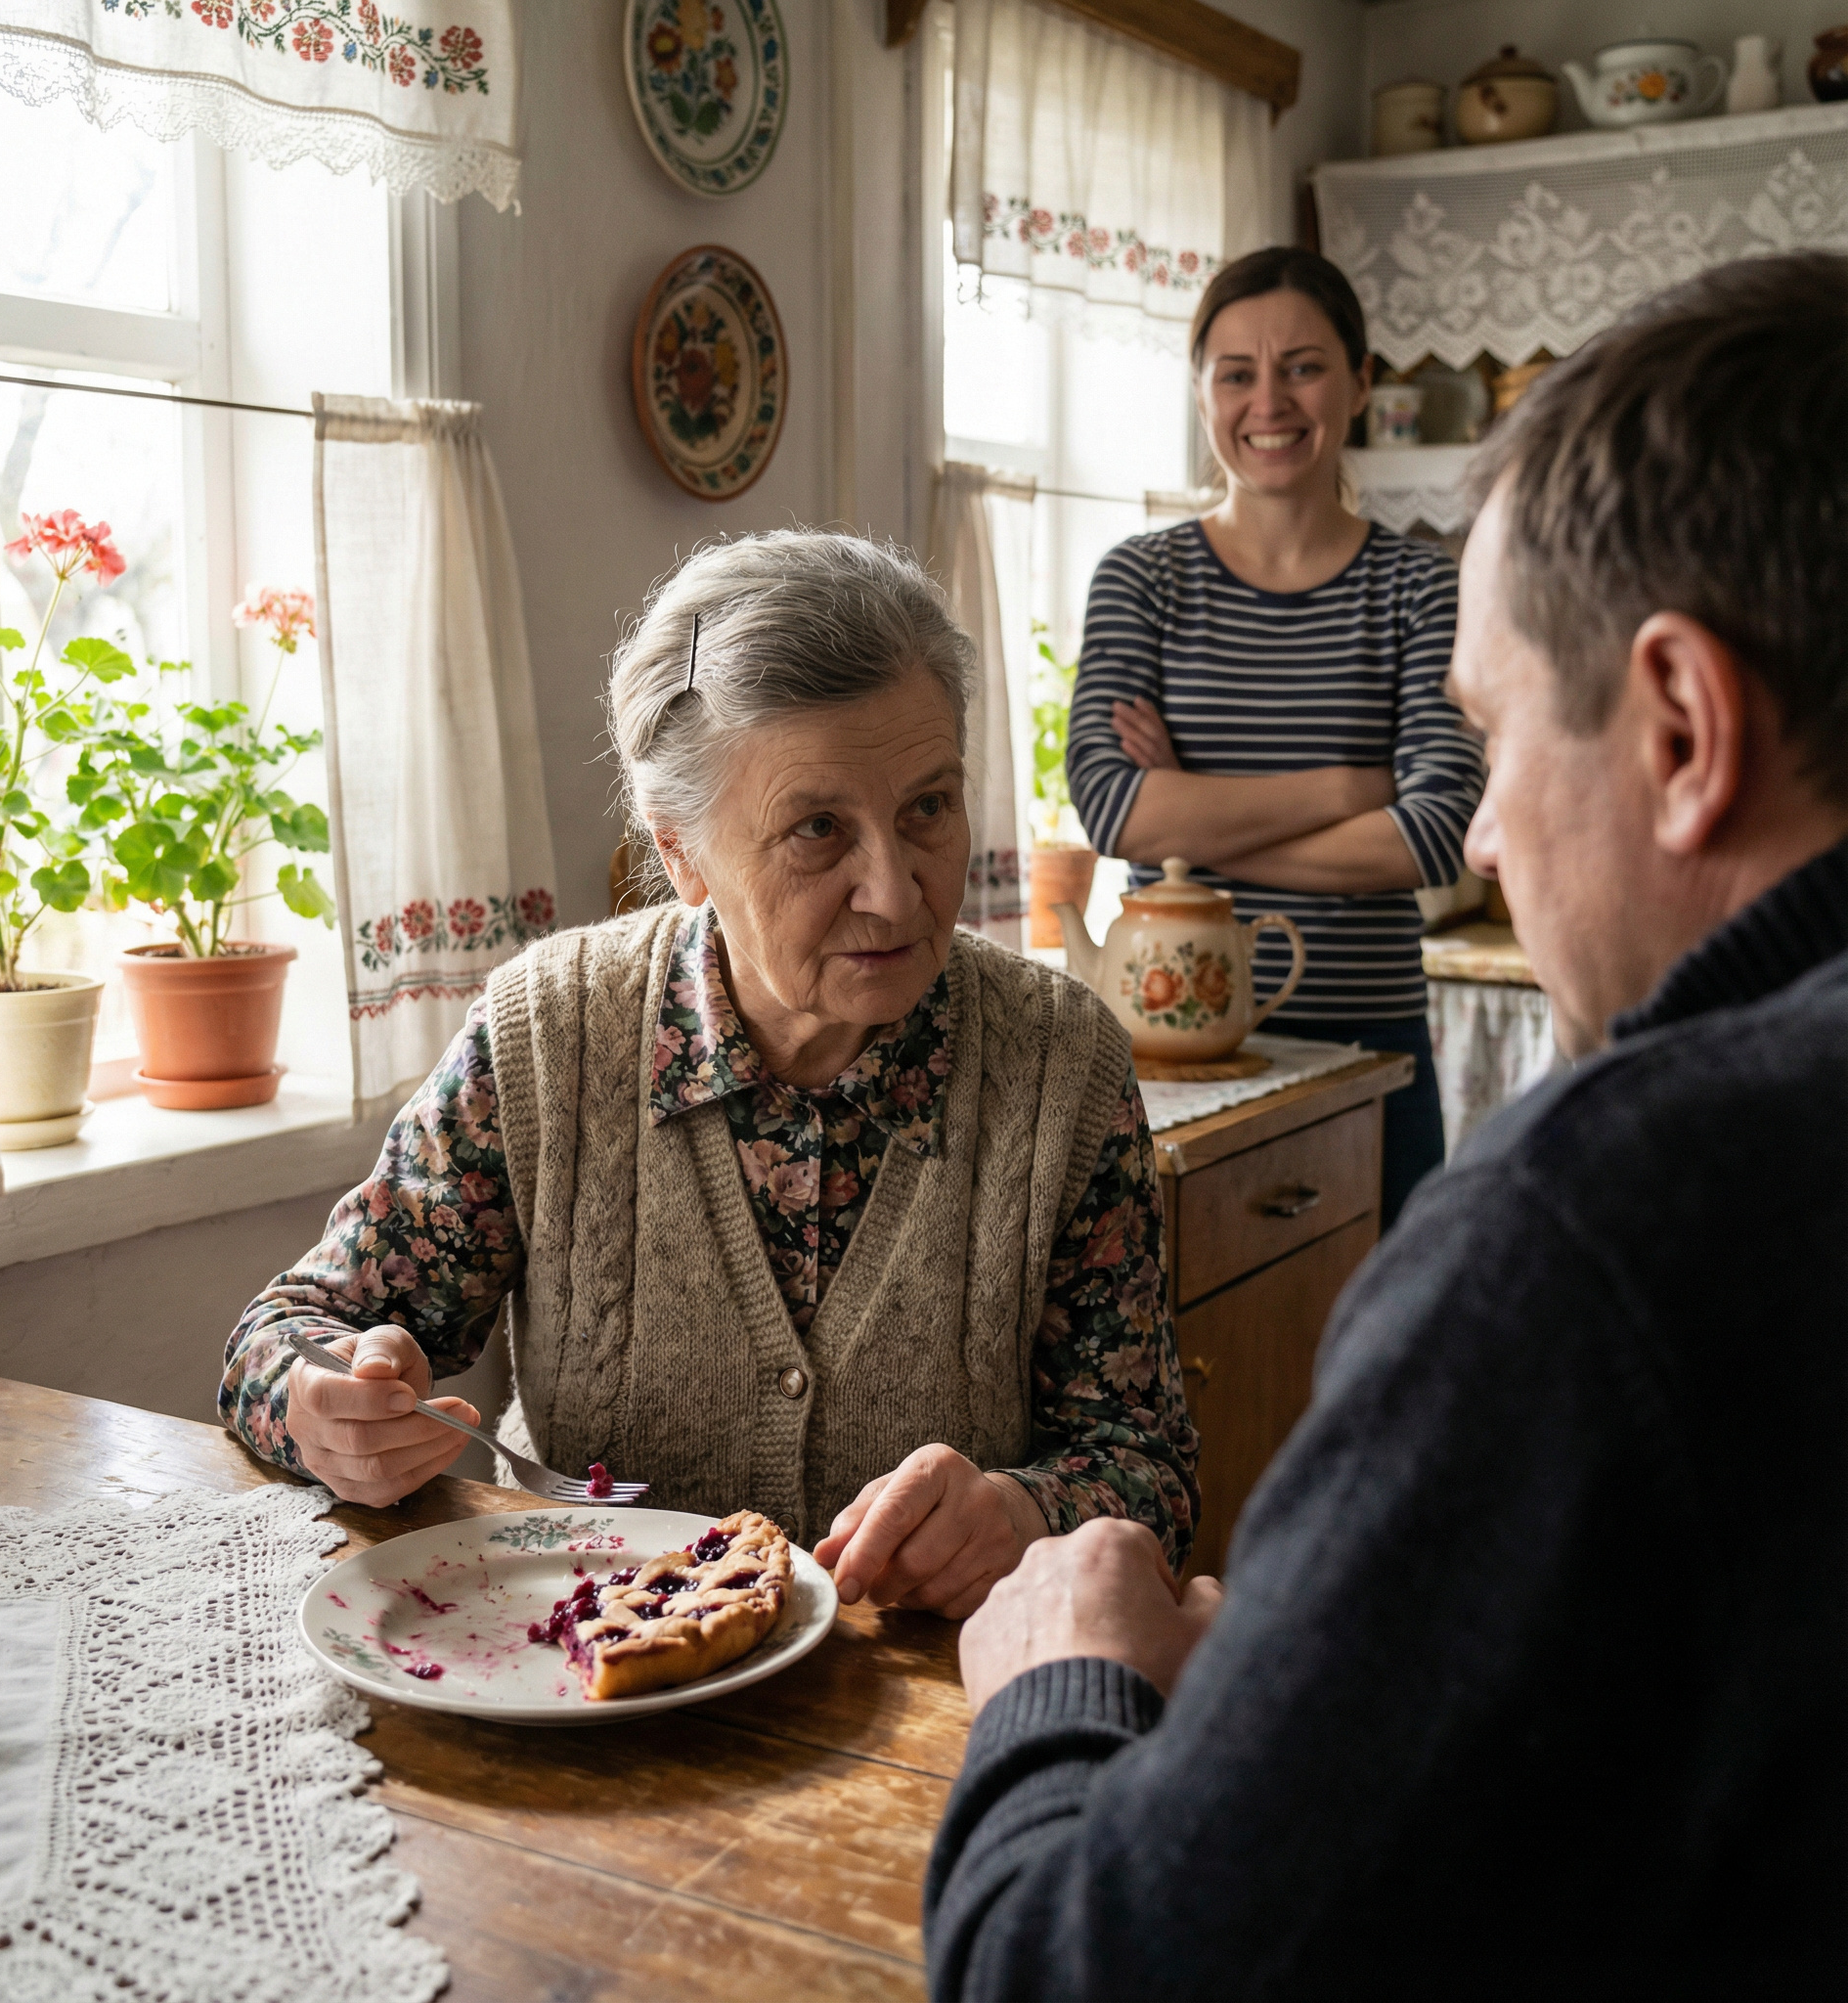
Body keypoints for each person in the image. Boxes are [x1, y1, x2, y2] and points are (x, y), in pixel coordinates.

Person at [923, 253, 1848, 1994]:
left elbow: (1084, 1969)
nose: (1487, 834)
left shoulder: (1582, 1229)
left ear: (1680, 726)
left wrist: (1061, 1671)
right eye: (1230, 373)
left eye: (1496, 741)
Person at [219, 531, 1198, 1619]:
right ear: (680, 848)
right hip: (583, 1686)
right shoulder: (548, 1038)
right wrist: (323, 1405)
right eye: (818, 828)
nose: (896, 888)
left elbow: (1145, 1466)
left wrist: (1023, 1512)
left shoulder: (1061, 1066)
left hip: (923, 1717)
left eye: (927, 806)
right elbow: (286, 1331)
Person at [1067, 247, 1484, 1227]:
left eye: (1301, 365)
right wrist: (1349, 787)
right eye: (1236, 374)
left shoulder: (1421, 589)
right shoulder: (1141, 579)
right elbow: (1112, 808)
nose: (1269, 402)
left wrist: (1188, 827)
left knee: (1376, 1357)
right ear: (1201, 390)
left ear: (1358, 381)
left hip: (1366, 1044)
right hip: (1170, 1047)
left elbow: (1431, 834)